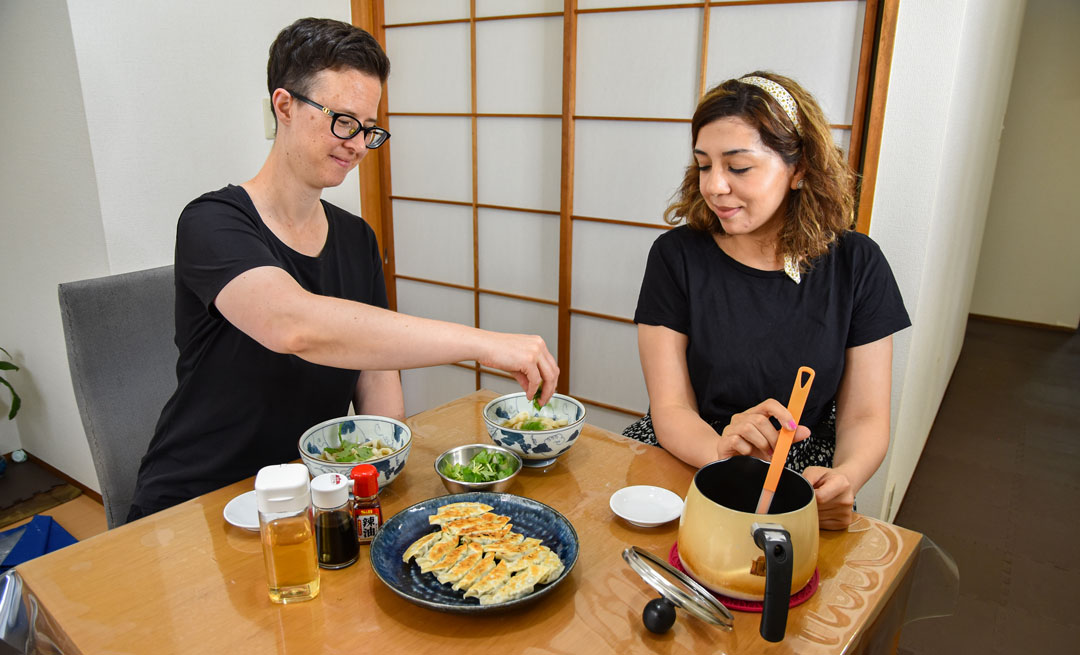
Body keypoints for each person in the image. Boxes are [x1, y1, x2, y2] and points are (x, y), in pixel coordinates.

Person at [128, 18, 558, 521]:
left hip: (317, 494)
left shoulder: (356, 238)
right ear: (284, 105)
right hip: (201, 497)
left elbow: (375, 371)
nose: (357, 144)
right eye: (343, 121)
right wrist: (485, 343)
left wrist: (385, 469)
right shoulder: (212, 221)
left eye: (369, 129)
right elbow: (294, 326)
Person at [622, 72, 910, 529]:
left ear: (799, 169)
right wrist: (720, 451)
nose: (714, 186)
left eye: (738, 167)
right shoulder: (675, 256)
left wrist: (844, 479)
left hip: (798, 466)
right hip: (693, 448)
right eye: (704, 165)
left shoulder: (857, 263)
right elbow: (671, 406)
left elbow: (866, 415)